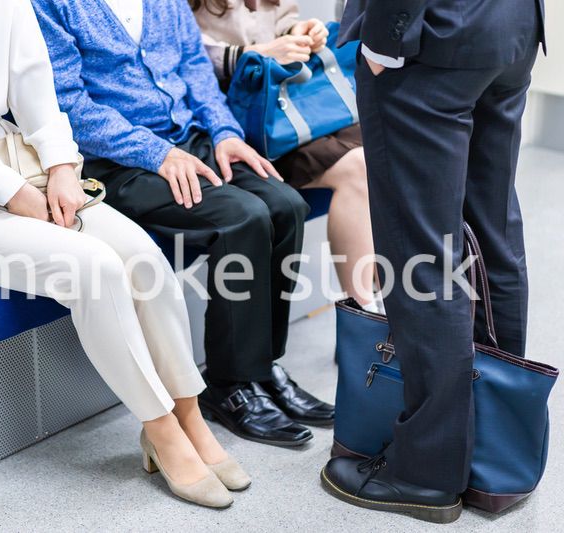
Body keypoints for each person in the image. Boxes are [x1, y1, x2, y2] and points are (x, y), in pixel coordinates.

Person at [0, 0, 249, 509]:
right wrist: (10, 192)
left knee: (141, 255)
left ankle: (189, 414)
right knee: (92, 266)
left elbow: (33, 79)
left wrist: (61, 166)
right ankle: (161, 431)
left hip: (23, 162)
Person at [32, 0, 336, 449]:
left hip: (188, 139)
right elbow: (69, 104)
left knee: (285, 205)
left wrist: (225, 133)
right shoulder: (51, 5)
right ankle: (230, 385)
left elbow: (195, 68)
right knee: (242, 217)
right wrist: (156, 153)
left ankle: (261, 368)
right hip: (115, 162)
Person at [321, 0, 546, 524]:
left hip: (430, 36)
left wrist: (385, 39)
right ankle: (491, 445)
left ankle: (427, 471)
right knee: (493, 235)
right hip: (511, 28)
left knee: (421, 256)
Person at [190, 0, 380, 311]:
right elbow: (188, 59)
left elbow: (282, 22)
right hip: (240, 122)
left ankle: (383, 303)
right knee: (358, 168)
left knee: (383, 150)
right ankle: (363, 313)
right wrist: (259, 54)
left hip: (289, 105)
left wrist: (300, 33)